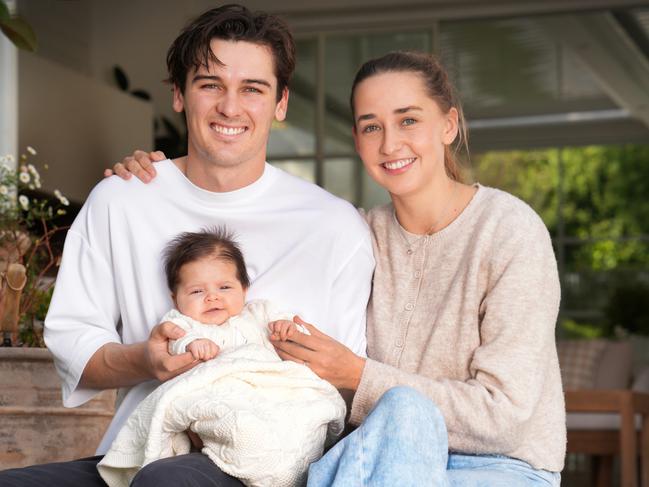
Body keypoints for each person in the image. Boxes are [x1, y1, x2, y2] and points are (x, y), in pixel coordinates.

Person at [112, 51, 566, 486]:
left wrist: (357, 375)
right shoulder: (354, 234)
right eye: (372, 127)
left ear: (448, 124)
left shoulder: (508, 230)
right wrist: (165, 179)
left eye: (408, 119)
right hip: (371, 456)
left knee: (407, 411)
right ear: (357, 140)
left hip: (498, 468)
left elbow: (504, 417)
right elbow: (233, 255)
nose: (390, 143)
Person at [0, 5, 373, 487]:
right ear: (179, 94)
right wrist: (145, 360)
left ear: (281, 104)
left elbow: (341, 389)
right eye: (210, 84)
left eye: (253, 89)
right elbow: (74, 342)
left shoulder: (333, 226)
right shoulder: (122, 202)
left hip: (268, 467)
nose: (230, 107)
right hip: (142, 449)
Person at [97, 227, 345, 487]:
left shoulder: (260, 313)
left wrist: (287, 329)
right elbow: (176, 342)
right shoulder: (182, 323)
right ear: (175, 299)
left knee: (301, 415)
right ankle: (262, 466)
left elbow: (294, 331)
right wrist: (193, 343)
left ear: (244, 289)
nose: (212, 297)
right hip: (226, 401)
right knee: (242, 428)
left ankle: (289, 460)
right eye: (196, 292)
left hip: (270, 393)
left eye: (224, 287)